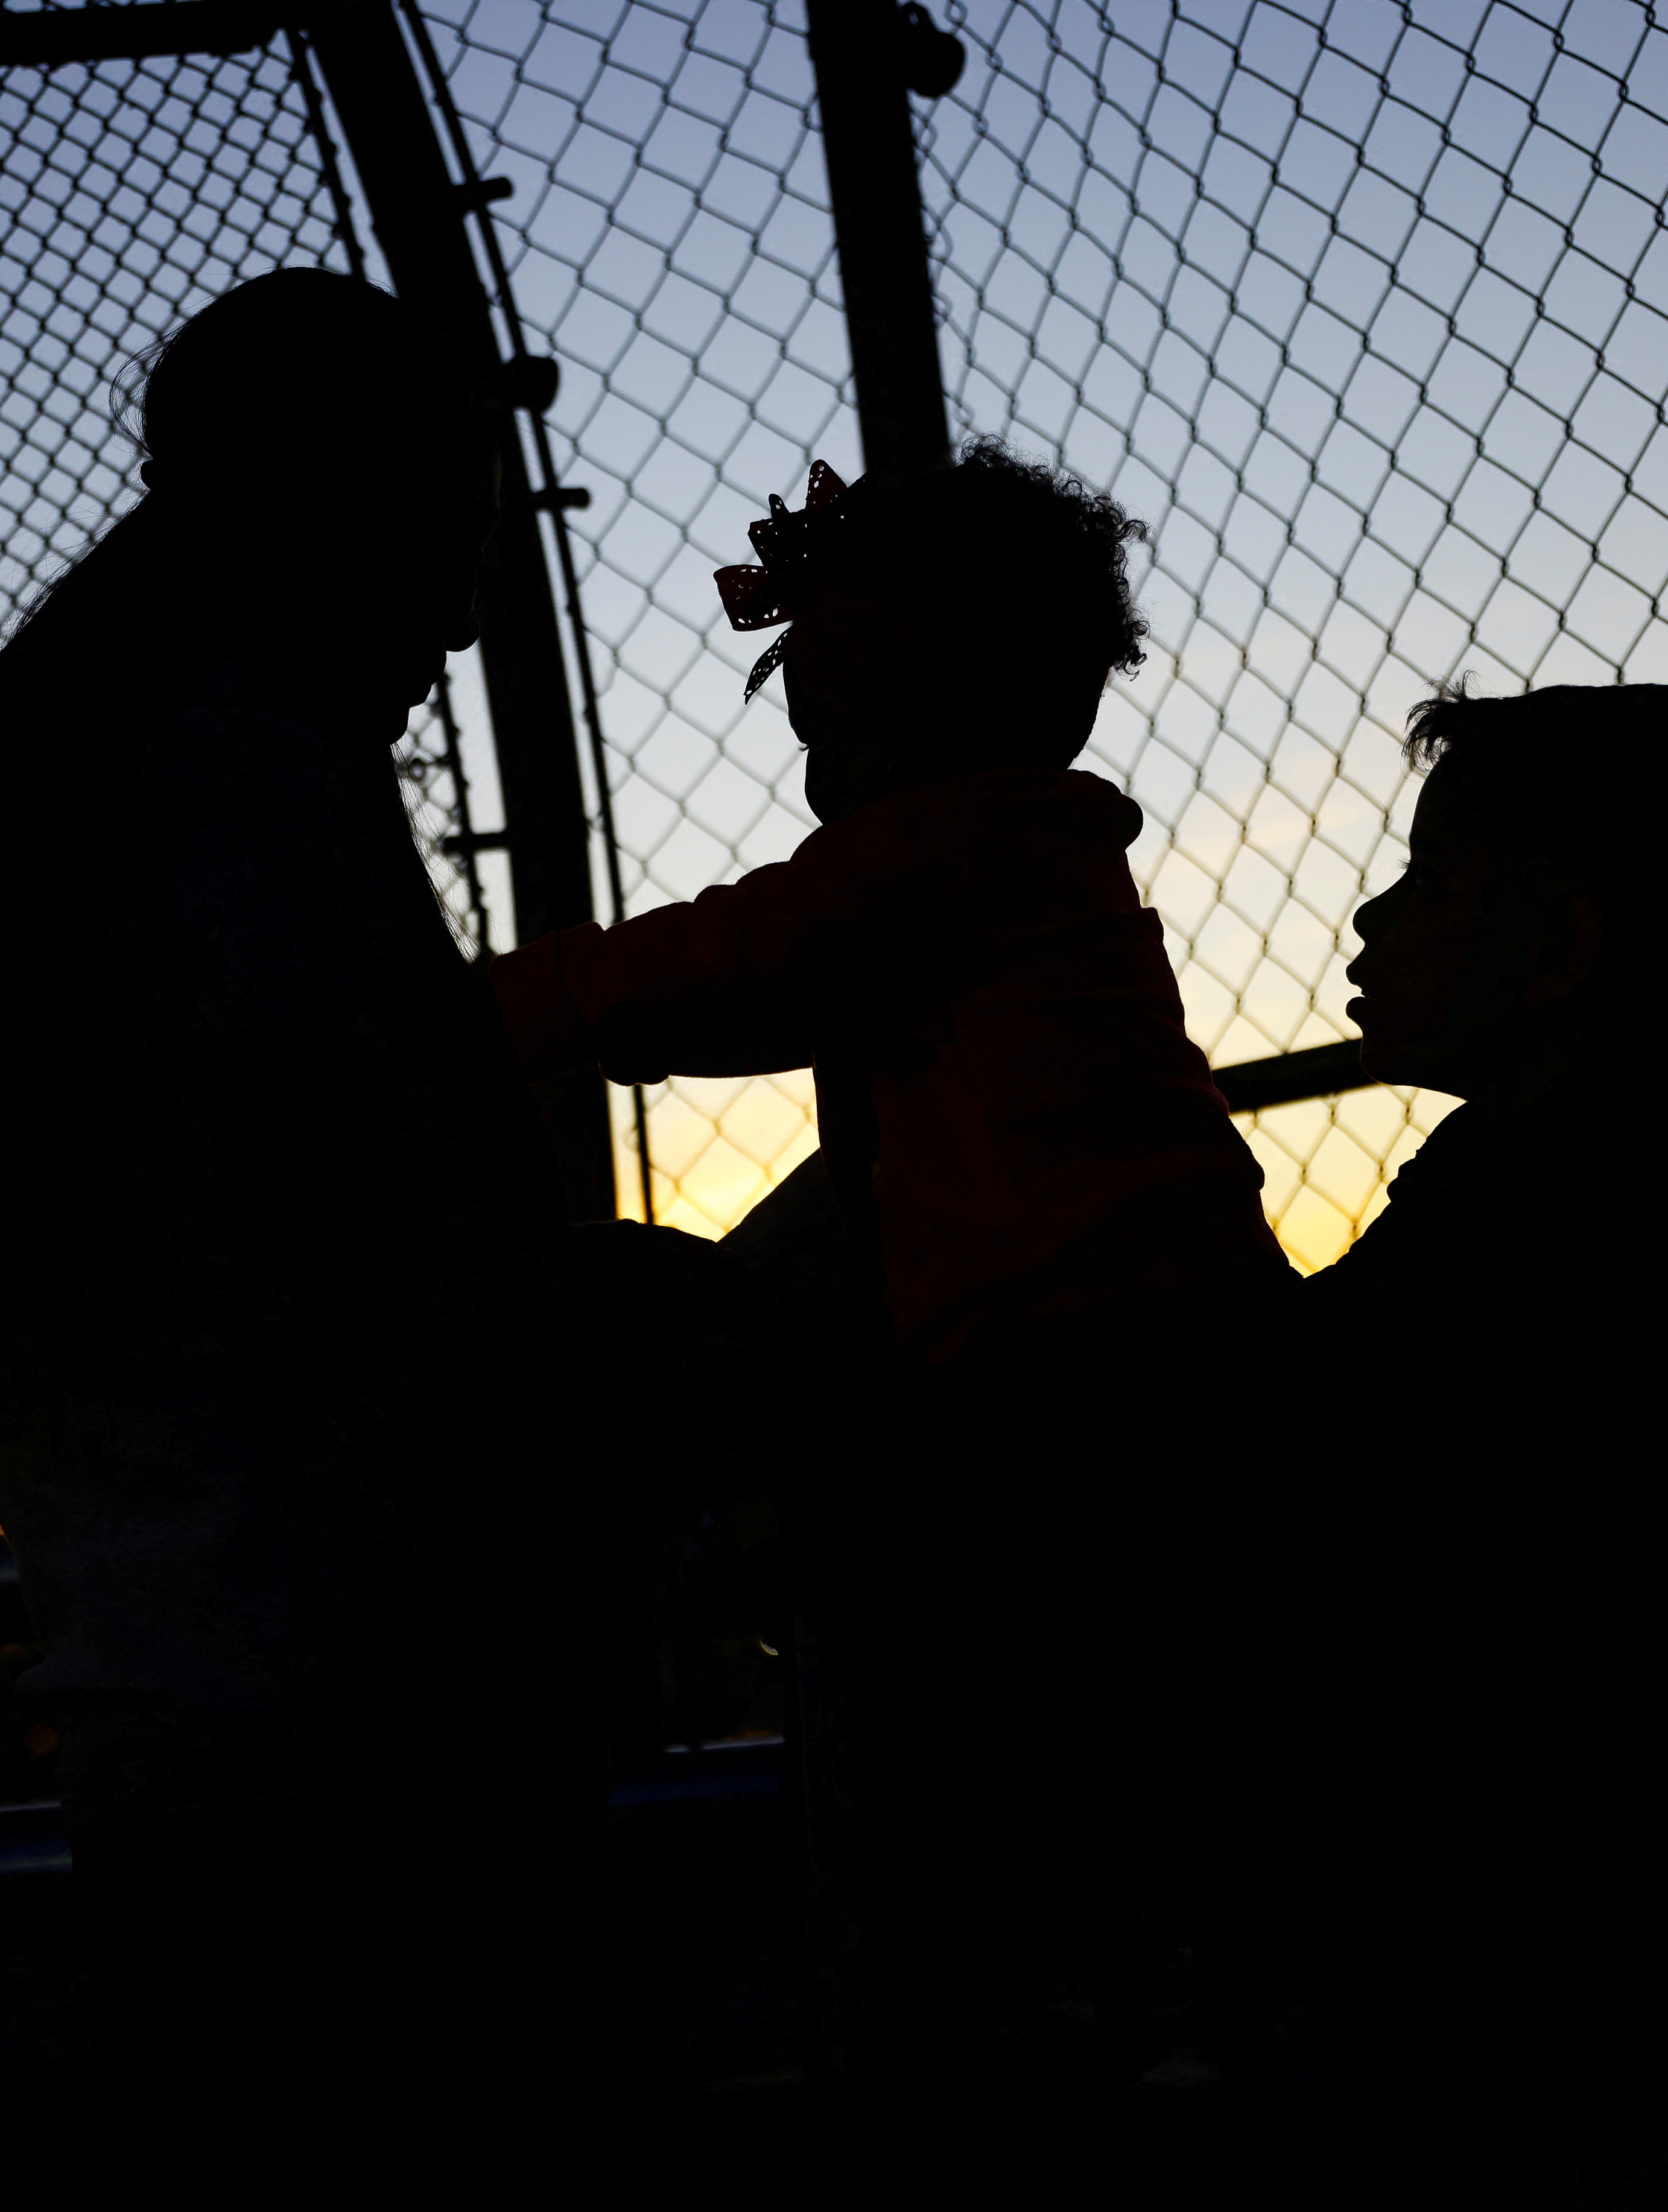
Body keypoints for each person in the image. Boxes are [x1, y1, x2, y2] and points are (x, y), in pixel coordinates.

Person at [0, 269, 703, 2152]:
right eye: (451, 531)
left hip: (187, 1720)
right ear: (332, 515)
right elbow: (387, 1283)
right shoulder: (229, 796)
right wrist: (679, 1327)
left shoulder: (60, 775)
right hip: (373, 1741)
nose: (469, 609)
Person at [493, 441, 1295, 2109]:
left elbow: (716, 961)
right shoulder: (1006, 857)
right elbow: (749, 1004)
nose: (811, 776)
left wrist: (463, 1011)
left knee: (1092, 1695)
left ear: (910, 699)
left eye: (827, 723)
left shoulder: (938, 846)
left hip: (1083, 1351)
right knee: (1142, 1692)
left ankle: (1144, 2010)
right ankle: (1162, 1993)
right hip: (1141, 1332)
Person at [1199, 682, 1668, 2176]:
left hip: (1547, 1916)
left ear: (1554, 945)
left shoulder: (1534, 1186)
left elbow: (1289, 1416)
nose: (1366, 917)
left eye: (1419, 878)